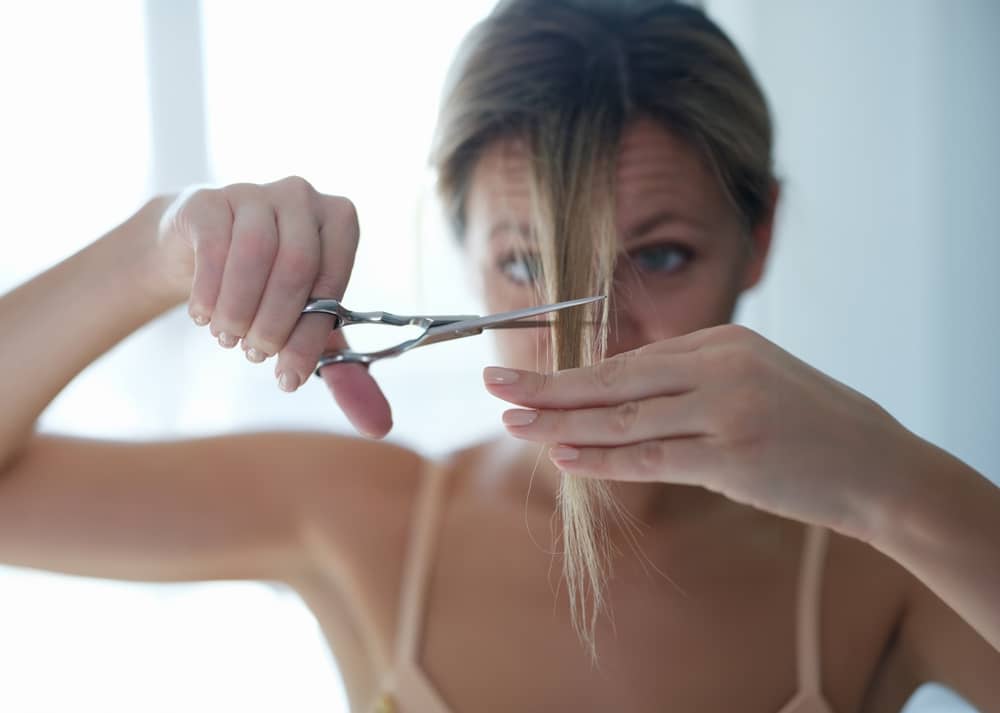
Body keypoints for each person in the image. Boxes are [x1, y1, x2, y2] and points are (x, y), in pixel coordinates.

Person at [1, 1, 998, 711]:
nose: (589, 336)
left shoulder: (891, 562)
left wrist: (892, 482)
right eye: (526, 262)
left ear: (759, 234)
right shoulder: (361, 521)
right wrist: (149, 250)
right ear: (462, 245)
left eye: (660, 254)